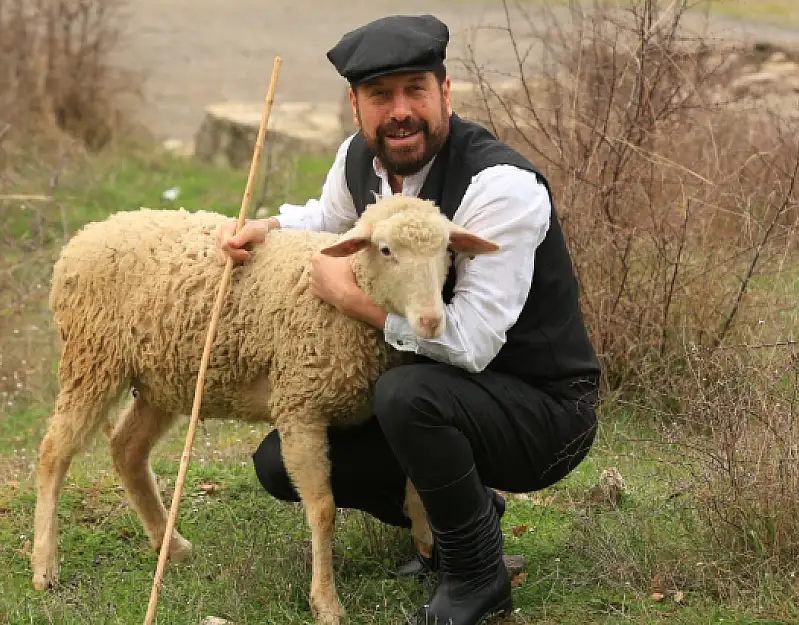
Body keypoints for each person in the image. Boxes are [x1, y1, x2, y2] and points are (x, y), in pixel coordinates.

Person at [215, 14, 601, 625]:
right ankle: (467, 517)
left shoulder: (499, 186)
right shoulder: (358, 162)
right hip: (451, 396)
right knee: (278, 464)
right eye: (380, 95)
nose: (400, 111)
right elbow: (327, 220)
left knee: (404, 392)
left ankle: (477, 578)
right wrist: (267, 228)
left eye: (415, 90)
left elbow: (471, 343)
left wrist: (353, 301)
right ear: (355, 105)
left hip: (543, 409)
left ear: (444, 93)